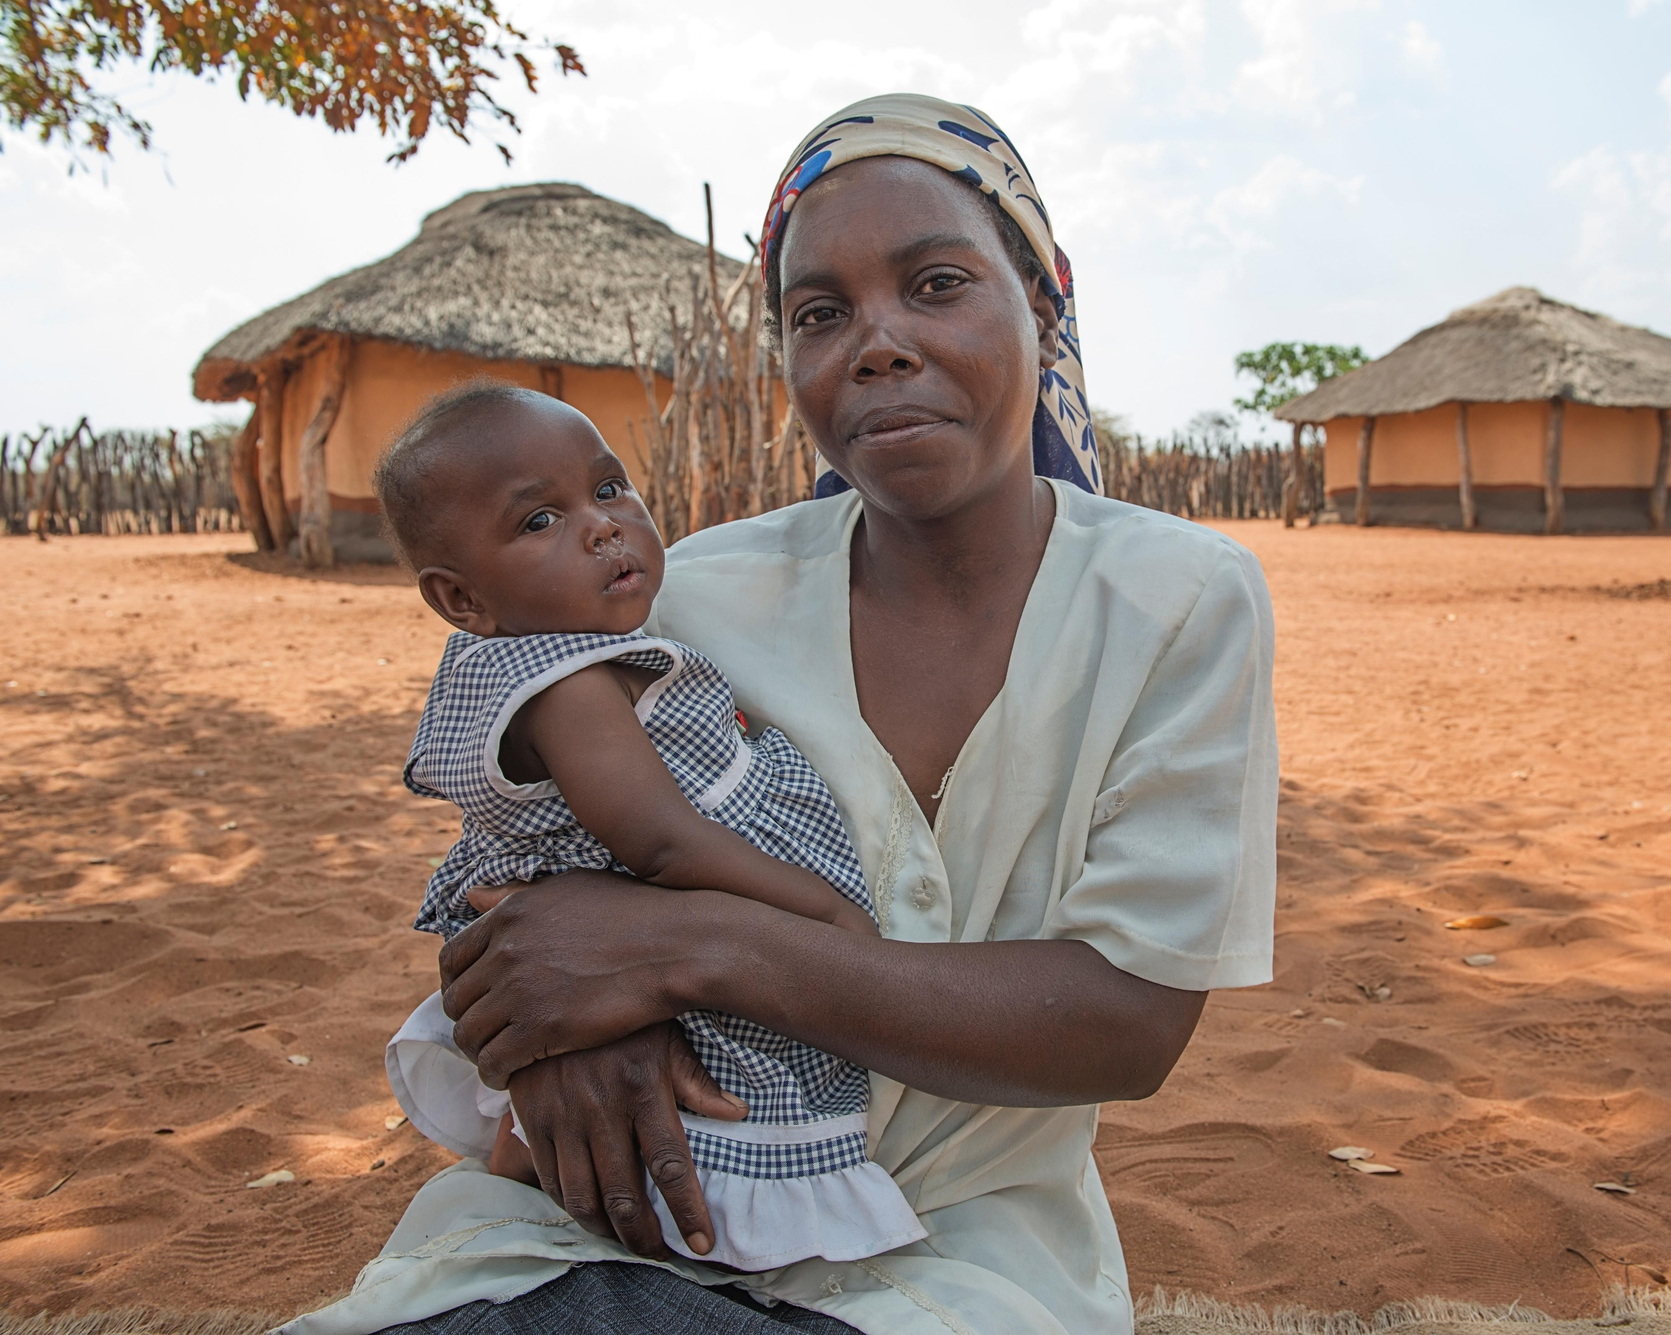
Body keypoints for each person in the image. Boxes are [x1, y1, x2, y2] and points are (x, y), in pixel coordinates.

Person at [283, 93, 1276, 1335]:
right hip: (641, 1215)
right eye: (819, 314)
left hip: (960, 1255)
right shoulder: (685, 600)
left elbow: (1122, 1026)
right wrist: (565, 1041)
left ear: (1040, 301)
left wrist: (694, 949)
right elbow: (513, 894)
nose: (877, 343)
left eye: (936, 284)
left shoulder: (1175, 601)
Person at [368, 383, 925, 1273]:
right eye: (540, 520)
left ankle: (517, 1210)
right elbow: (661, 843)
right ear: (461, 597)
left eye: (608, 488)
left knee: (558, 1141)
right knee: (710, 1113)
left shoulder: (543, 652)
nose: (602, 527)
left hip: (603, 936)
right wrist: (823, 914)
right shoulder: (566, 685)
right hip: (647, 932)